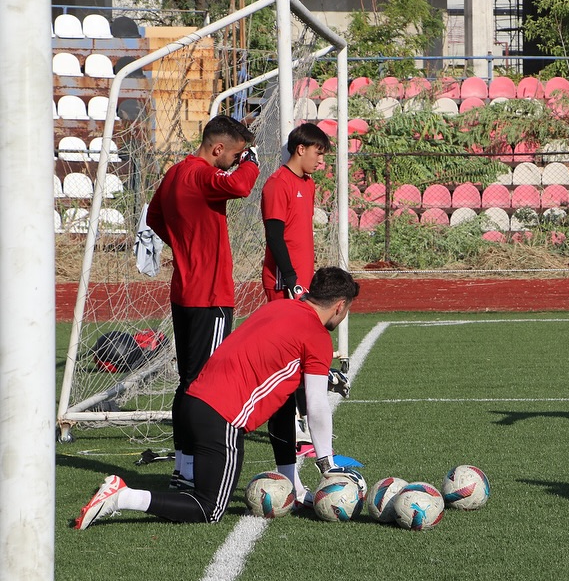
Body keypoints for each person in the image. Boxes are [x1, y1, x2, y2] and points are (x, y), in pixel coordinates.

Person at [72, 267, 360, 528]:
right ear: (339, 306)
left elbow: (282, 396)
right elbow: (317, 406)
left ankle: (293, 488)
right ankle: (121, 497)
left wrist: (295, 486)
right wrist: (327, 464)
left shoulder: (279, 307)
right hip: (222, 417)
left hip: (192, 403)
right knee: (208, 508)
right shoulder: (318, 337)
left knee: (282, 404)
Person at [146, 115, 259, 490]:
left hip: (184, 291)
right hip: (209, 295)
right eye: (236, 154)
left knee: (186, 383)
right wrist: (253, 162)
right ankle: (194, 470)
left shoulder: (176, 172)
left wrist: (183, 240)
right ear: (217, 149)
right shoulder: (199, 174)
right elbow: (241, 187)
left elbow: (153, 216)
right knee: (202, 385)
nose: (237, 161)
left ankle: (183, 466)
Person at [262, 123, 331, 301]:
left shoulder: (309, 184)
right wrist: (291, 278)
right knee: (283, 329)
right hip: (284, 282)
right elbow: (274, 236)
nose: (321, 160)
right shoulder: (278, 183)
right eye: (318, 153)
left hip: (303, 278)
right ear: (301, 149)